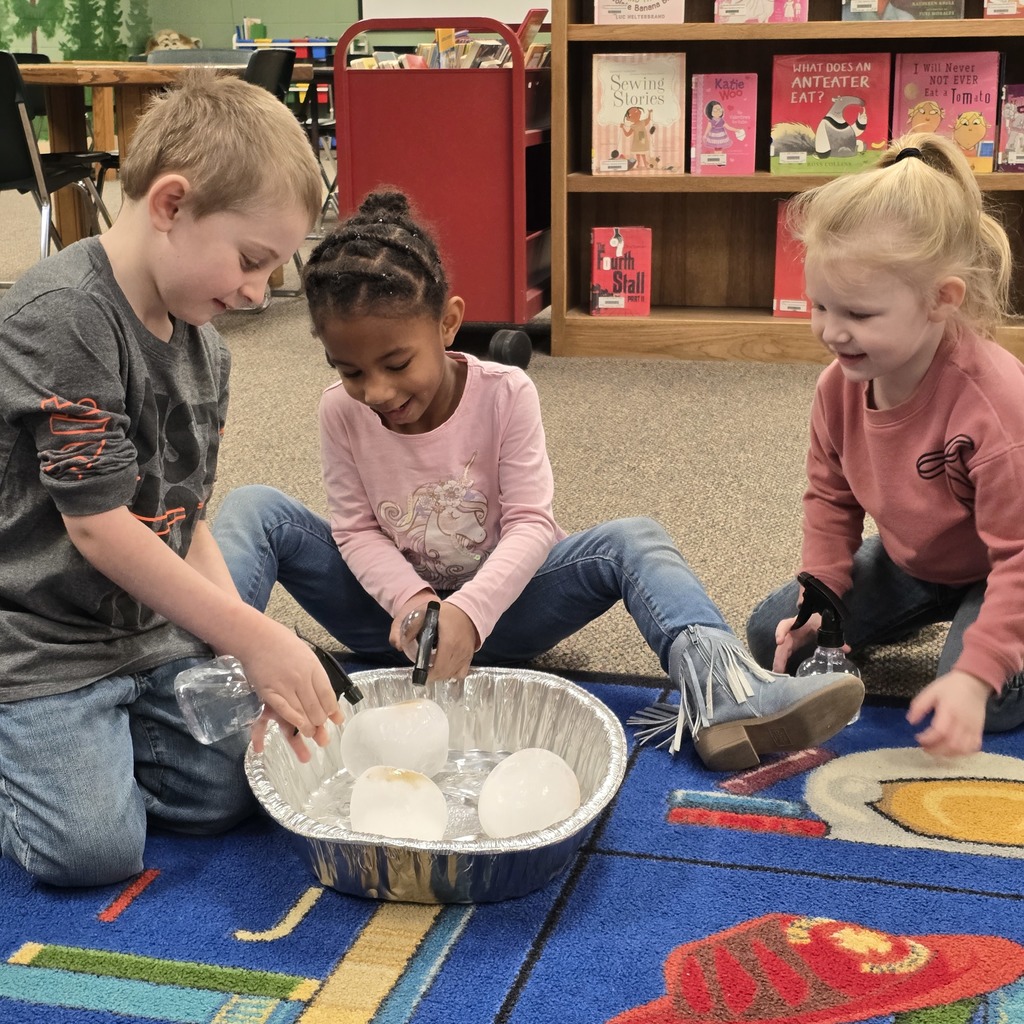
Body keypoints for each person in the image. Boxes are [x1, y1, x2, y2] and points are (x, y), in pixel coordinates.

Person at [212, 188, 863, 776]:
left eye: (396, 363)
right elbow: (352, 528)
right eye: (350, 371)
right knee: (254, 507)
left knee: (632, 540)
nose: (375, 391)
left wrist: (468, 610)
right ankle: (200, 688)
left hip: (504, 612)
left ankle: (726, 695)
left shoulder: (505, 394)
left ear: (447, 323)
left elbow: (531, 523)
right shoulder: (340, 410)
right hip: (388, 622)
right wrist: (413, 602)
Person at [0, 71, 340, 887]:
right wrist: (256, 638)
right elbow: (98, 524)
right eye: (252, 261)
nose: (260, 292)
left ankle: (86, 750)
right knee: (91, 852)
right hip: (37, 641)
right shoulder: (65, 315)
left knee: (237, 787)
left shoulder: (204, 346)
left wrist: (229, 647)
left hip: (139, 636)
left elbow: (184, 523)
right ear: (171, 204)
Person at [746, 132, 1024, 760]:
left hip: (1004, 567)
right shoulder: (838, 388)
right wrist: (822, 592)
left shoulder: (996, 404)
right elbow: (830, 498)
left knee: (992, 700)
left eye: (860, 315)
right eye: (820, 305)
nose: (831, 331)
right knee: (775, 636)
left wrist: (975, 676)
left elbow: (1019, 556)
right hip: (915, 561)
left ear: (940, 301)